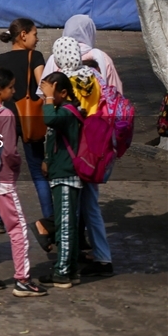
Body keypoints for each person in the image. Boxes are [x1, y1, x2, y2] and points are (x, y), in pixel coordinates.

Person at [0, 68, 50, 298]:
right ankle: (22, 279)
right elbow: (10, 151)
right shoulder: (5, 115)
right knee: (17, 228)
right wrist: (16, 166)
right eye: (11, 87)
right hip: (1, 179)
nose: (14, 91)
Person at [50, 37, 115, 278]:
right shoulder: (94, 76)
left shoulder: (64, 83)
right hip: (95, 149)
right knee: (90, 205)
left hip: (73, 153)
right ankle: (97, 256)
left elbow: (56, 120)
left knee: (71, 208)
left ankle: (71, 262)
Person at [32, 71, 85, 289]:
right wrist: (47, 160)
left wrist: (48, 98)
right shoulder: (64, 110)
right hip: (61, 174)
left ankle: (62, 272)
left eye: (52, 92)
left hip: (66, 176)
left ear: (63, 93)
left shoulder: (66, 112)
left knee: (64, 226)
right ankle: (70, 269)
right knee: (68, 223)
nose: (47, 97)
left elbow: (49, 119)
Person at [0, 18, 53, 220]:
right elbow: (43, 87)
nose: (37, 39)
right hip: (31, 120)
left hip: (7, 119)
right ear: (23, 35)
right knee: (38, 171)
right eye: (35, 34)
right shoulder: (35, 56)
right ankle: (49, 217)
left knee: (2, 169)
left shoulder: (1, 59)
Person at [40, 14, 123, 92]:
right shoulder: (102, 57)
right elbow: (116, 90)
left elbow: (44, 91)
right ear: (91, 32)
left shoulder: (56, 58)